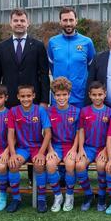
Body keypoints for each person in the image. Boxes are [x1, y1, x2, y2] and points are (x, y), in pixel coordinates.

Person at [5, 84, 52, 213]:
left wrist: (42, 153)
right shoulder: (13, 111)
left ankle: (42, 198)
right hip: (22, 148)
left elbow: (48, 133)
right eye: (23, 96)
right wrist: (13, 154)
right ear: (18, 97)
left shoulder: (41, 110)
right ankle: (16, 198)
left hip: (38, 147)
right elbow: (10, 134)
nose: (26, 99)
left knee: (39, 164)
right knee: (13, 164)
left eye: (28, 96)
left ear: (33, 96)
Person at [0, 9, 50, 108]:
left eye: (22, 21)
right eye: (16, 21)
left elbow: (44, 75)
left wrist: (44, 101)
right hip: (8, 101)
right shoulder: (1, 47)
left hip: (32, 101)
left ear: (28, 23)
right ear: (10, 23)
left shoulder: (38, 46)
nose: (19, 23)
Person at [75, 81, 111, 211]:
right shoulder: (84, 111)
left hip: (103, 148)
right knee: (79, 165)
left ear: (105, 94)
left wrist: (105, 151)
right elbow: (80, 130)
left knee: (101, 165)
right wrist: (80, 149)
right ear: (90, 95)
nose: (97, 97)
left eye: (100, 94)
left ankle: (102, 196)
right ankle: (88, 194)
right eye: (94, 95)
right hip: (88, 147)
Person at [47, 7, 96, 108]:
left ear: (76, 21)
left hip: (80, 97)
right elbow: (52, 66)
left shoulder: (87, 42)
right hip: (58, 98)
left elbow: (92, 68)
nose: (68, 23)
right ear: (60, 22)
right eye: (65, 20)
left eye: (71, 20)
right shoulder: (52, 42)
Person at [46, 77, 80, 212]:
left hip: (70, 146)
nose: (61, 98)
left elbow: (78, 132)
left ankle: (70, 195)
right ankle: (58, 195)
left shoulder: (76, 111)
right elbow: (46, 133)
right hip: (55, 146)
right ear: (53, 96)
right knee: (50, 164)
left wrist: (74, 149)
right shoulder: (48, 111)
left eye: (64, 95)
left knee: (71, 164)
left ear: (69, 95)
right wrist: (49, 150)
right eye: (58, 95)